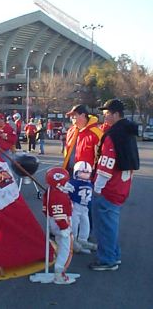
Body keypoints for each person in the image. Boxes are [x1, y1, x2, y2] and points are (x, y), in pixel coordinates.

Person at [90, 99, 139, 271]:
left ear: (116, 114)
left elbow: (106, 165)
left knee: (104, 227)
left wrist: (97, 188)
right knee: (111, 225)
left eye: (107, 114)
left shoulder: (112, 136)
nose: (105, 118)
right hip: (122, 186)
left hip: (109, 188)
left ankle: (107, 259)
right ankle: (114, 255)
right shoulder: (129, 134)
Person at [43, 167, 75, 284]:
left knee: (61, 244)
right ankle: (60, 272)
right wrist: (64, 228)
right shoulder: (58, 196)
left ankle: (58, 267)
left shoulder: (51, 191)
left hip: (54, 222)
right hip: (61, 224)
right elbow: (59, 215)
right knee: (67, 248)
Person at [63, 104, 103, 174]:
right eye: (71, 116)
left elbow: (101, 157)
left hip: (86, 174)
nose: (71, 118)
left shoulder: (96, 133)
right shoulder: (71, 130)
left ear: (83, 115)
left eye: (74, 115)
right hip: (69, 171)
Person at [68, 161, 97, 254]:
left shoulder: (90, 183)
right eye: (81, 173)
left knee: (86, 224)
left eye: (86, 173)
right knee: (74, 224)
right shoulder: (72, 183)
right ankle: (73, 241)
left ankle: (82, 240)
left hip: (85, 208)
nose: (84, 175)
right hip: (75, 207)